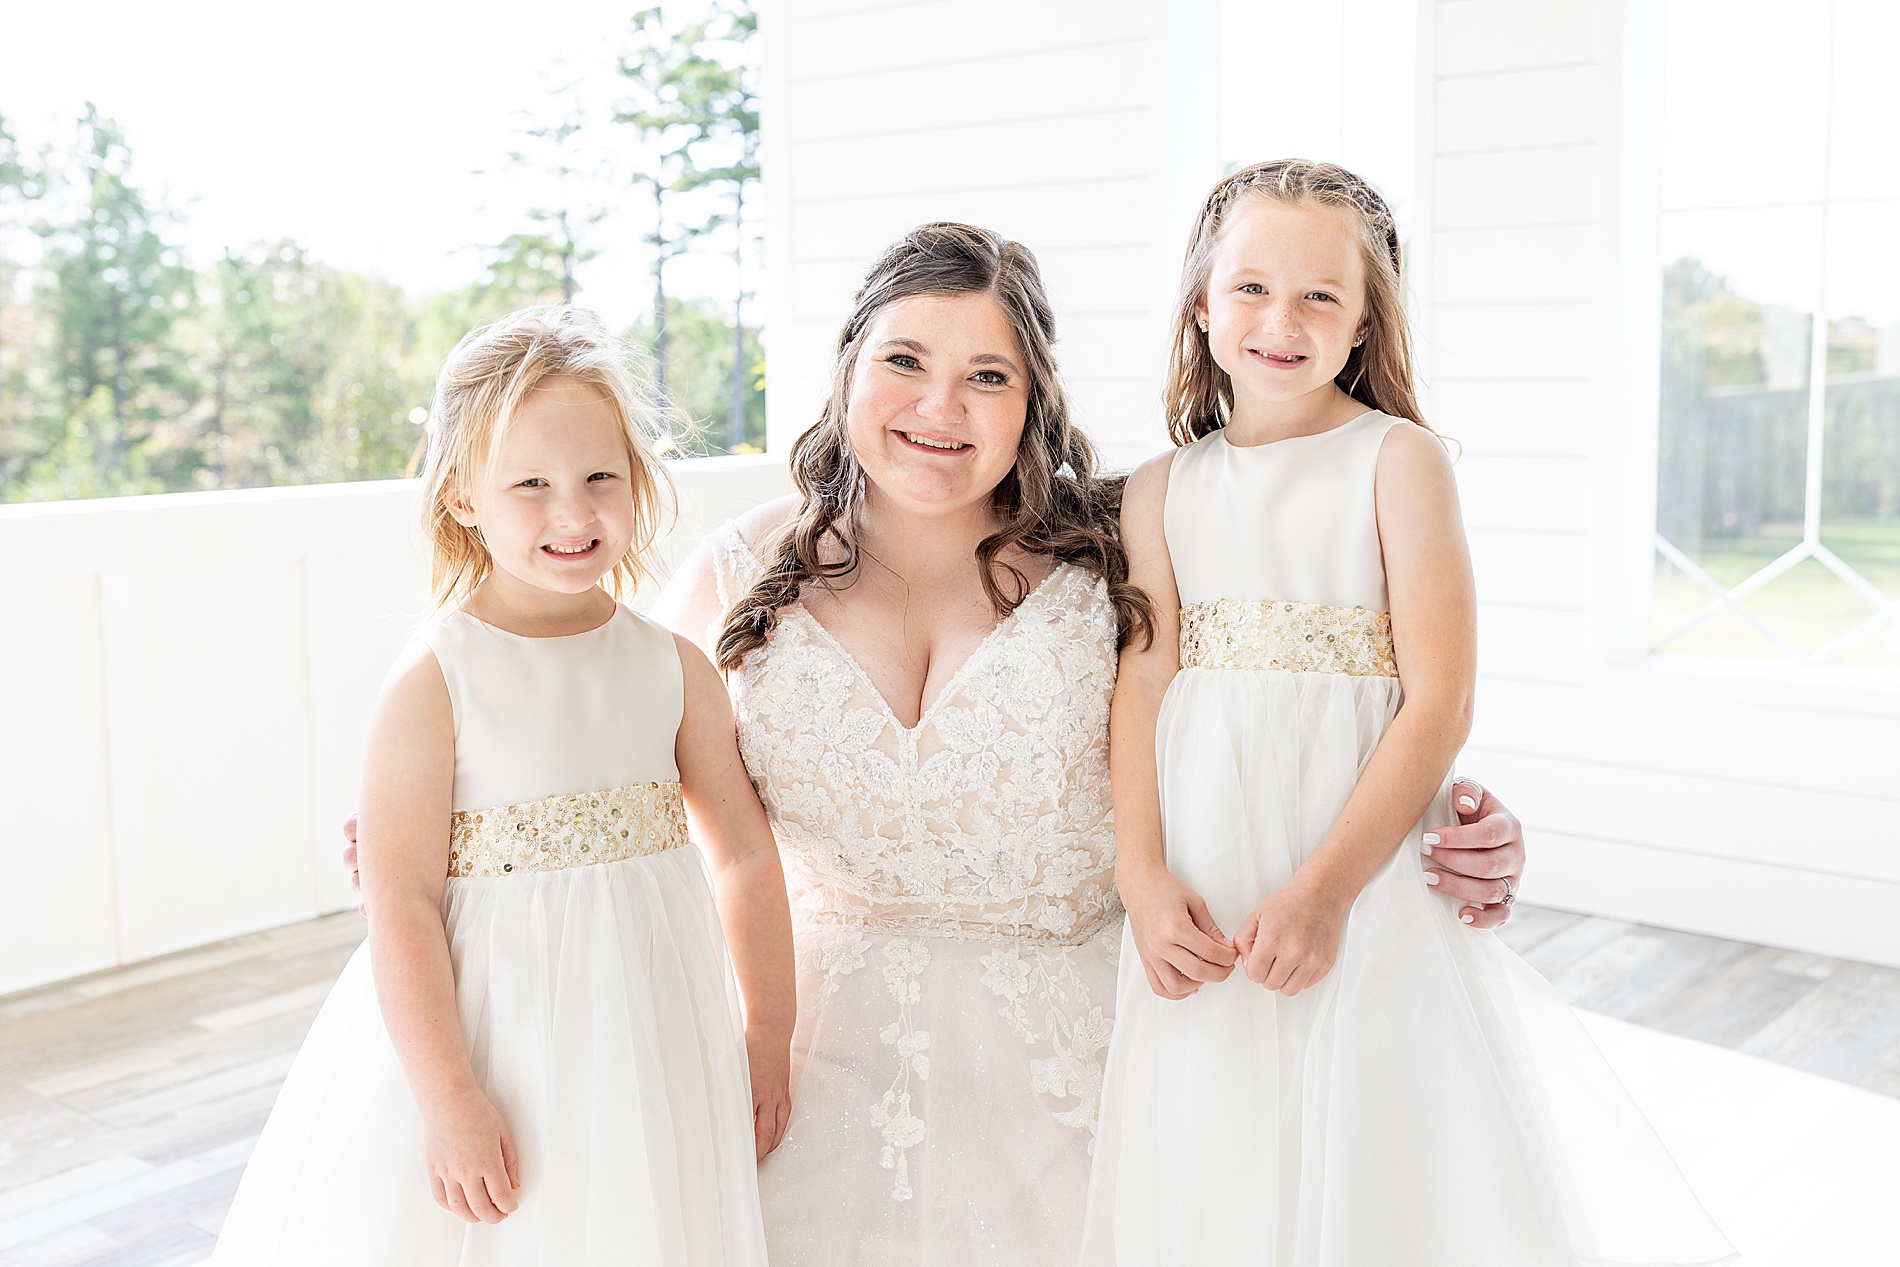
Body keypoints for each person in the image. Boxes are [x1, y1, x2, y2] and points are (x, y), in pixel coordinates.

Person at [650, 222, 1530, 1266]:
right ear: (846, 364)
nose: (940, 408)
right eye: (903, 361)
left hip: (1093, 1064)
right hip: (804, 1056)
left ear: (1034, 403)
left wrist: (1459, 820)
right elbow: (626, 811)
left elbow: (1291, 706)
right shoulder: (729, 578)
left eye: (987, 374)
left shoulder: (1126, 545)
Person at [1084, 161, 1732, 1267]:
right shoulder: (1156, 489)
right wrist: (1140, 876)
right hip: (1210, 855)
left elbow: (1441, 696)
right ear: (1200, 306)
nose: (1278, 321)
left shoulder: (1397, 461)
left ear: (1363, 325)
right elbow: (1141, 681)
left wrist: (1324, 892)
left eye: (1319, 297)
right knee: (1212, 1125)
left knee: (1380, 1123)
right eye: (1248, 289)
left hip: (1359, 868)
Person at [218, 307, 793, 1266]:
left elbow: (738, 849)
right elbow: (398, 897)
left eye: (600, 477)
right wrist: (450, 1100)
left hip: (650, 1024)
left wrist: (767, 1026)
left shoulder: (672, 668)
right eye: (530, 483)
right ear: (460, 497)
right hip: (499, 1034)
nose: (573, 512)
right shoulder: (436, 677)